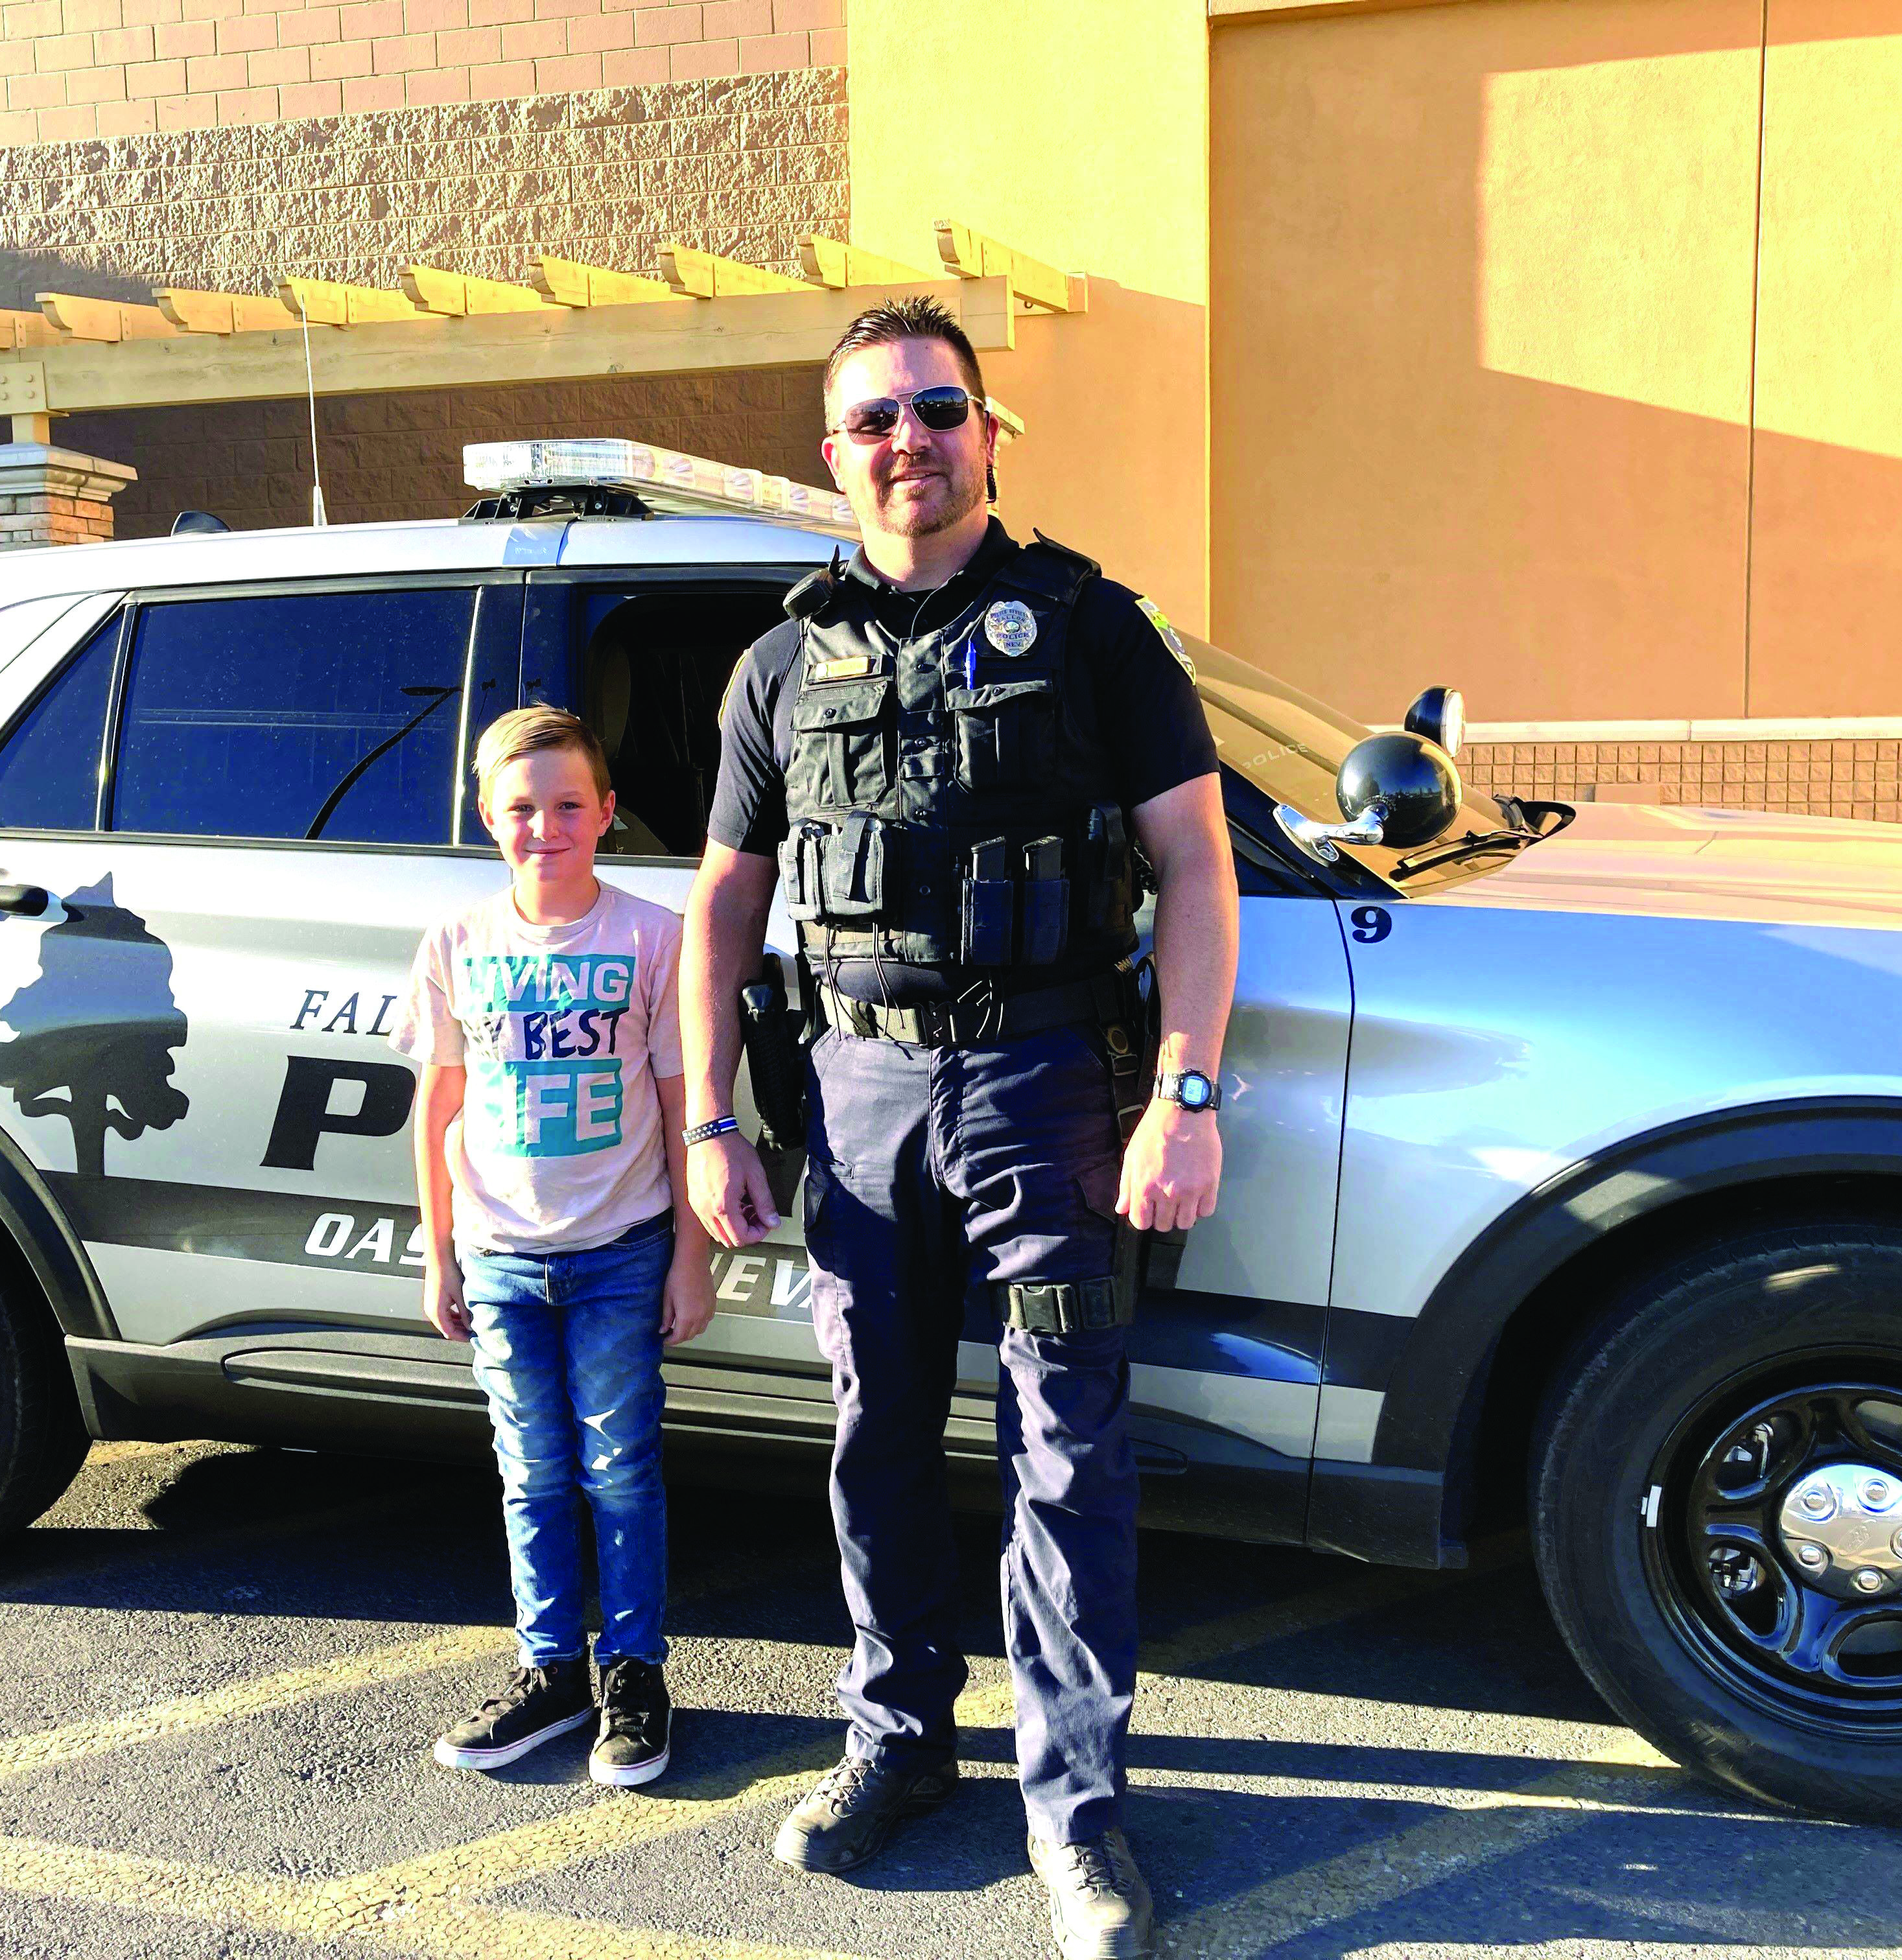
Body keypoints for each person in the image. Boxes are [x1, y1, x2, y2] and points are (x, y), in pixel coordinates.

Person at [679, 298, 1237, 1960]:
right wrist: (710, 1115)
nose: (908, 442)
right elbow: (726, 901)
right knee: (875, 1437)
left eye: (939, 410)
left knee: (1066, 1453)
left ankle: (1075, 1814)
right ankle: (897, 1741)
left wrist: (1182, 1095)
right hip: (854, 1104)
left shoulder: (1092, 629)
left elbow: (1198, 875)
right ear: (834, 455)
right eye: (875, 421)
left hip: (1046, 1085)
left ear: (991, 433)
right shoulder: (779, 662)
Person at [397, 705, 718, 1787]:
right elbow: (436, 1109)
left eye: (570, 804)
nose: (548, 826)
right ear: (489, 819)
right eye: (523, 808)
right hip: (497, 1257)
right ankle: (550, 1673)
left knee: (620, 1470)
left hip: (622, 1249)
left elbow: (680, 1104)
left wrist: (688, 1254)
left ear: (608, 812)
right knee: (530, 1472)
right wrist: (439, 1255)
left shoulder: (651, 937)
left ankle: (634, 1673)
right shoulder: (455, 945)